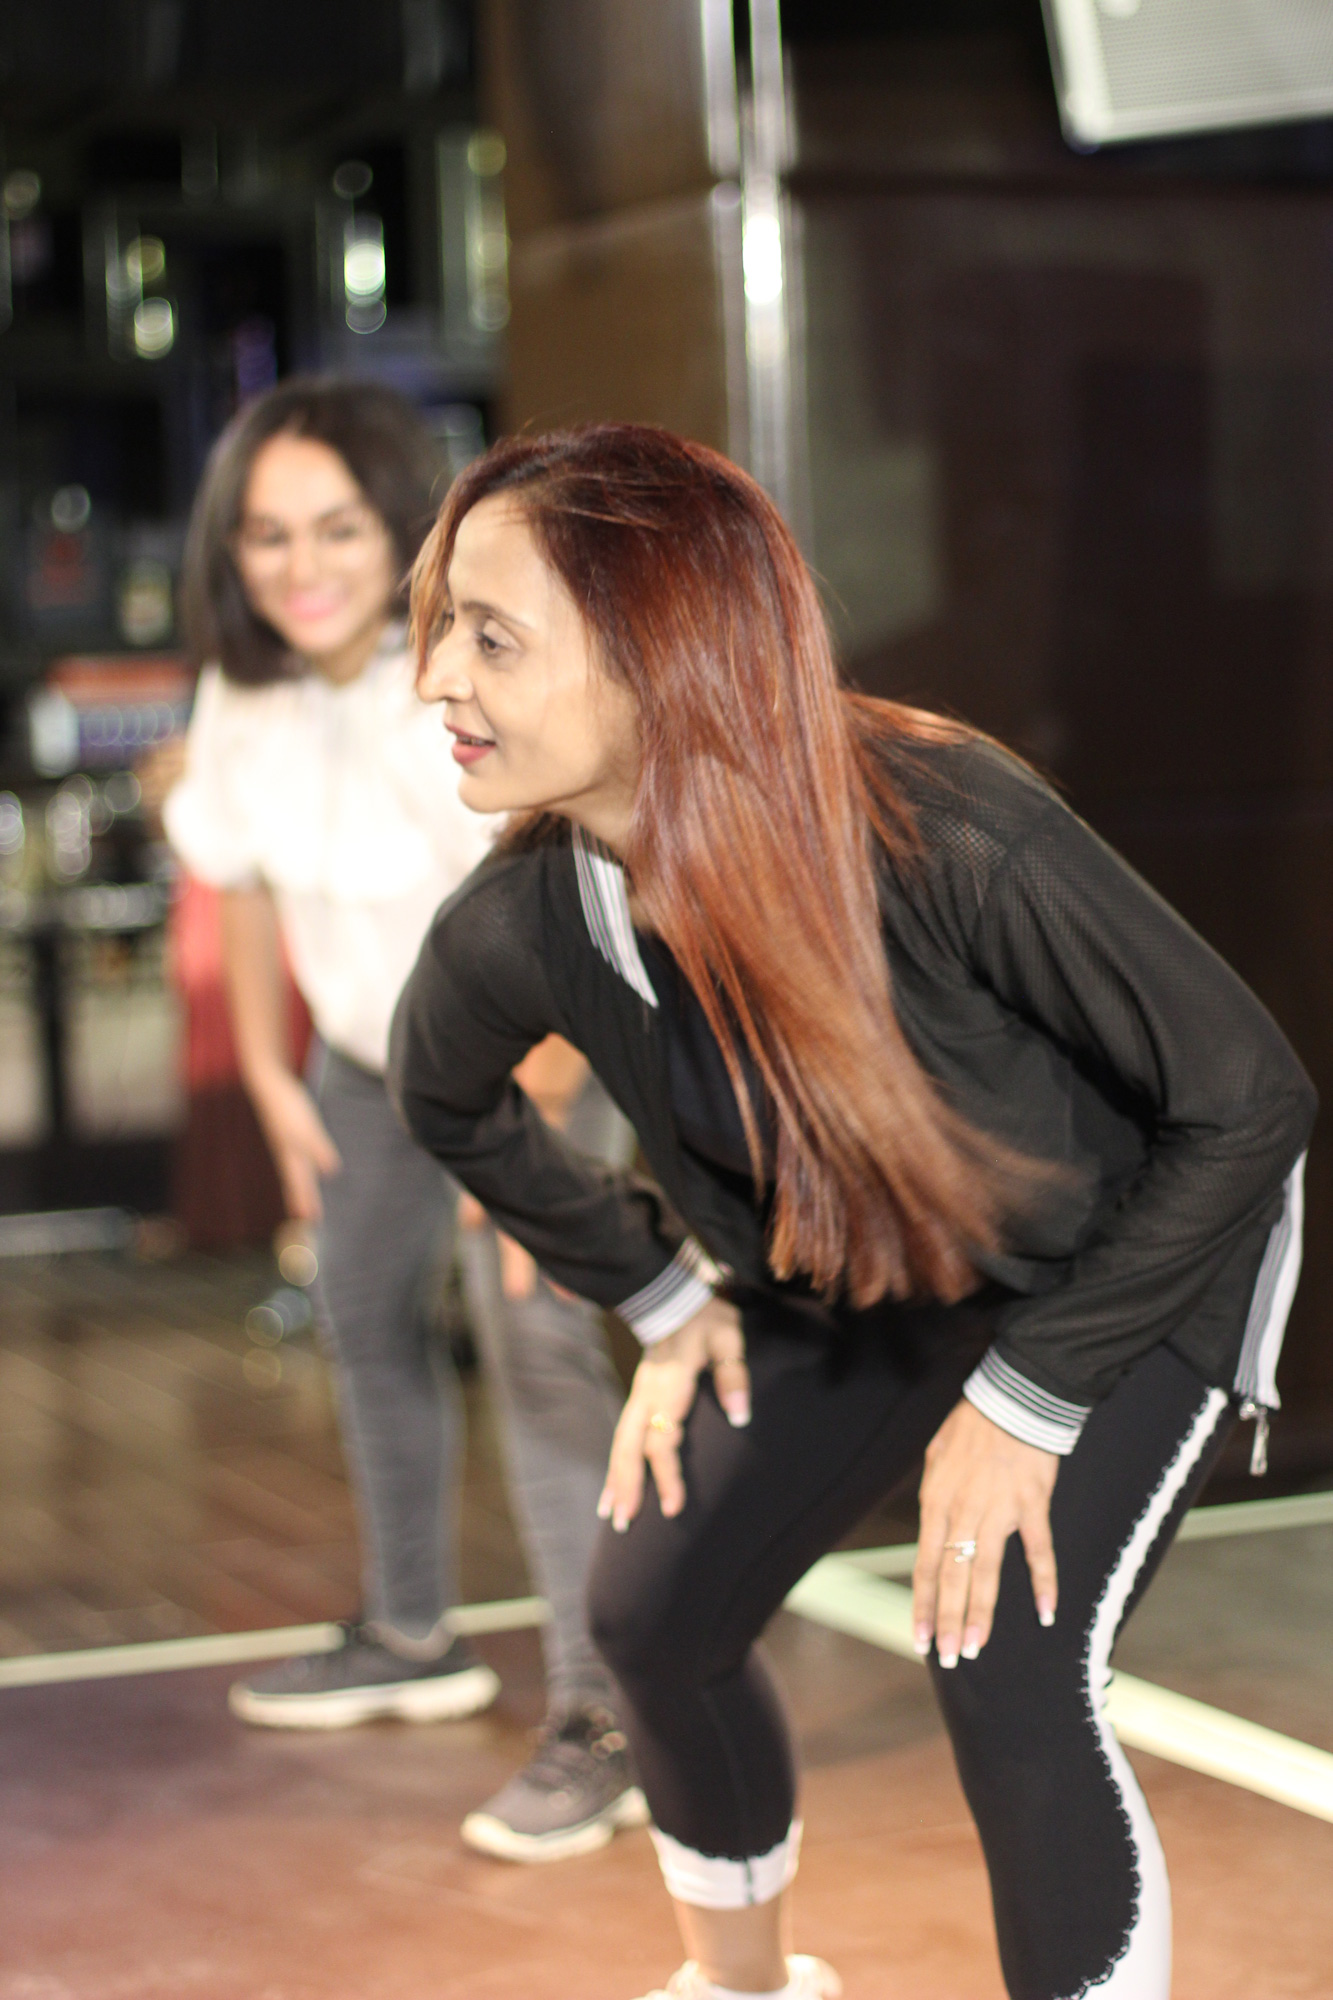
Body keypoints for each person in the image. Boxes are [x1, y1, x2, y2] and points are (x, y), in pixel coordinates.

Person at [388, 423, 1315, 2000]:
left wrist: (1029, 1396)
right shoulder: (526, 922)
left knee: (1000, 1654)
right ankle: (745, 1987)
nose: (433, 680)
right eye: (442, 629)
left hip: (1134, 1256)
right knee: (654, 1609)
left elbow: (1245, 1099)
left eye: (491, 638)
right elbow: (443, 1100)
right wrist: (661, 1299)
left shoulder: (943, 823)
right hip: (869, 1273)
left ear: (657, 655)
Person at [165, 379, 647, 1862]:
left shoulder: (459, 676)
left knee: (536, 1344)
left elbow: (567, 891)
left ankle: (606, 1714)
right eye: (266, 535)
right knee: (362, 1314)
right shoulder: (245, 688)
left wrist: (522, 1128)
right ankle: (410, 1633)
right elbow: (243, 876)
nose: (300, 564)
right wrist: (269, 1075)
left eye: (337, 529)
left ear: (399, 532)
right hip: (367, 1069)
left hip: (534, 1061)